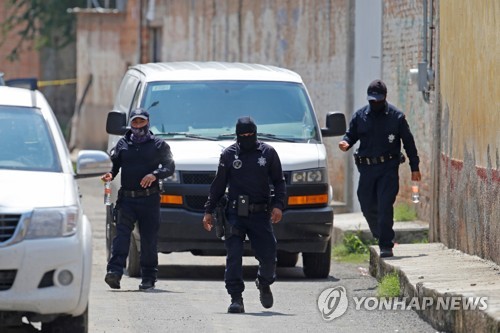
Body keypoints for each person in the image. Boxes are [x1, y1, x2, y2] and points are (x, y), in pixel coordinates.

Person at [202, 116, 286, 313]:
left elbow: (279, 181)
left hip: (260, 213)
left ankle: (264, 282)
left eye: (250, 134)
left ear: (256, 133)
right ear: (237, 136)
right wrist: (208, 210)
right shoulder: (229, 155)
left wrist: (278, 205)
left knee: (268, 255)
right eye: (243, 135)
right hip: (234, 214)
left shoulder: (268, 153)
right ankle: (236, 298)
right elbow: (218, 185)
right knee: (234, 256)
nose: (247, 138)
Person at [338, 79, 421, 258]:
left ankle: (385, 244)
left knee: (385, 206)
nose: (375, 103)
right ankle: (379, 234)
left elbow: (409, 143)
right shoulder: (360, 116)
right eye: (372, 100)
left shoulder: (396, 117)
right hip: (367, 169)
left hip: (388, 169)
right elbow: (350, 134)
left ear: (385, 98)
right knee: (366, 204)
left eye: (378, 99)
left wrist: (415, 167)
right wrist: (345, 142)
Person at [102, 107, 175, 290]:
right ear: (130, 123)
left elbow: (169, 166)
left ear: (148, 122)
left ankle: (148, 277)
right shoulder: (122, 144)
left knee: (149, 240)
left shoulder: (158, 145)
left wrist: (155, 175)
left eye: (141, 122)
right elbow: (114, 166)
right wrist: (110, 175)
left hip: (149, 200)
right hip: (127, 199)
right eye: (135, 122)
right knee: (121, 237)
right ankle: (115, 273)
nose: (138, 125)